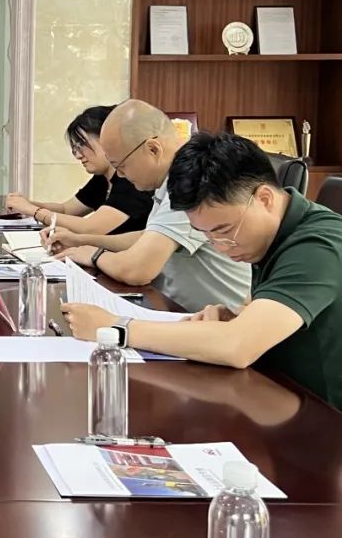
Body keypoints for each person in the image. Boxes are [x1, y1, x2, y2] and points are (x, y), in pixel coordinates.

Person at [62, 132, 342, 410]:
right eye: (206, 234)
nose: (219, 247)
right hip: (278, 393)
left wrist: (116, 328)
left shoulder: (317, 246)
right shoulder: (270, 234)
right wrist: (238, 318)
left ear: (265, 199)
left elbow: (238, 346)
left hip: (323, 419)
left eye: (224, 230)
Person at [46, 99, 249, 312]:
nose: (120, 175)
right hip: (177, 309)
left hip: (217, 320)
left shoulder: (191, 182)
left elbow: (137, 270)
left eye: (121, 165)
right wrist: (81, 241)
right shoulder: (171, 179)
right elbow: (148, 237)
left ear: (153, 149)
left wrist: (93, 255)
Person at [5, 105, 153, 235]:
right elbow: (66, 210)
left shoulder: (132, 180)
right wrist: (26, 204)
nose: (78, 155)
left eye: (81, 145)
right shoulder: (103, 178)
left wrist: (33, 211)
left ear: (107, 138)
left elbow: (91, 228)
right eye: (75, 149)